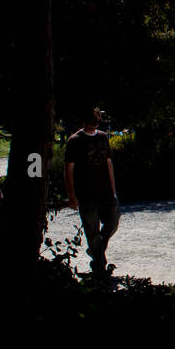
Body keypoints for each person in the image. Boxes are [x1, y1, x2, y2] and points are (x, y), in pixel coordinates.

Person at [65, 106, 119, 277]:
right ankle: (100, 265)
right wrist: (72, 195)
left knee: (112, 222)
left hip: (106, 191)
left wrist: (113, 188)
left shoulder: (103, 137)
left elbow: (109, 162)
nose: (93, 122)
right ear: (83, 121)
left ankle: (96, 251)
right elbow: (68, 169)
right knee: (91, 229)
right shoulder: (75, 141)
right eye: (90, 119)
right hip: (86, 193)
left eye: (95, 119)